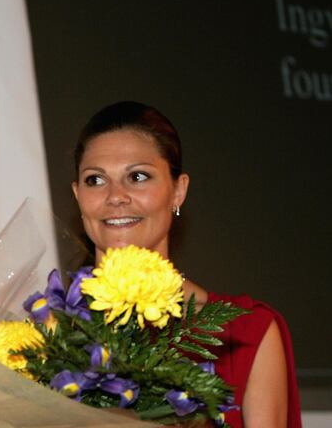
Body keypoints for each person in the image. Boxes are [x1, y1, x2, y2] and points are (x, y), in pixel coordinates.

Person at [71, 101, 301, 427]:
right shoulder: (48, 337)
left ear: (178, 191)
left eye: (138, 176)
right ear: (77, 195)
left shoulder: (244, 334)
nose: (116, 196)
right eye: (95, 180)